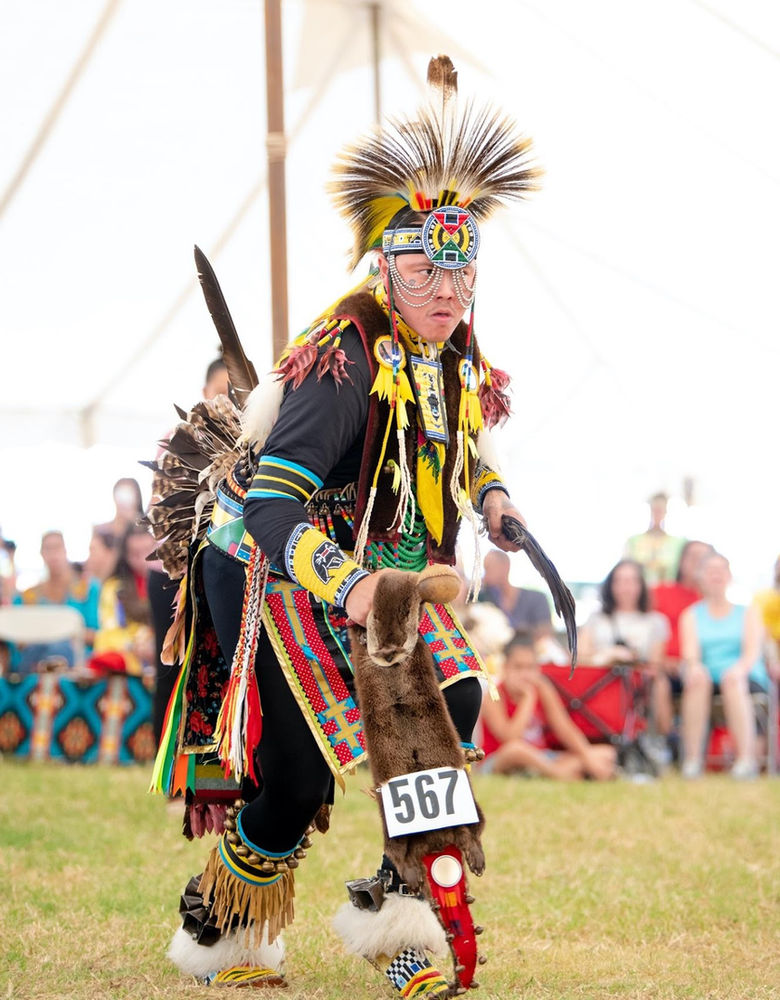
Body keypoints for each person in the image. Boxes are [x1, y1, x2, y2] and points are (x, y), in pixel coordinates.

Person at [150, 55, 541, 994]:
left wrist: (491, 497)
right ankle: (225, 929)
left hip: (383, 562)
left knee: (452, 701)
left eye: (460, 269)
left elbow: (452, 444)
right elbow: (278, 500)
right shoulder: (346, 356)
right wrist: (351, 583)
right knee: (298, 776)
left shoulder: (450, 346)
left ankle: (398, 907)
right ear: (384, 266)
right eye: (422, 268)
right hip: (272, 561)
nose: (446, 289)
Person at [678, 552, 768, 780]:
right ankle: (692, 760)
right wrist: (694, 667)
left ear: (729, 576)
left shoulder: (748, 612)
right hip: (707, 678)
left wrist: (738, 671)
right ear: (701, 577)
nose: (716, 574)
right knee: (698, 679)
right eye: (710, 570)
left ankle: (745, 760)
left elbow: (752, 653)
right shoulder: (691, 615)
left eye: (721, 569)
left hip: (745, 677)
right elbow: (691, 653)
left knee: (733, 682)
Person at [479, 632, 616, 779]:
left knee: (606, 754)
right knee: (515, 750)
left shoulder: (542, 687)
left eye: (530, 668)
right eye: (518, 667)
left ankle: (550, 772)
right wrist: (527, 699)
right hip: (501, 759)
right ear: (506, 668)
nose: (525, 674)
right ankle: (557, 773)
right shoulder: (493, 695)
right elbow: (510, 739)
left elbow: (564, 727)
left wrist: (588, 757)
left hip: (541, 757)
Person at [651, 540, 714, 743]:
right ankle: (670, 742)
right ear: (681, 560)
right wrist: (663, 661)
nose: (697, 562)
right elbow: (649, 632)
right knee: (658, 683)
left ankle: (694, 746)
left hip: (702, 670)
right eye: (692, 556)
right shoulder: (660, 592)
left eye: (703, 558)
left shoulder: (714, 604)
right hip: (664, 667)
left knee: (697, 679)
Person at [12, 531, 100, 673]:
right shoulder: (28, 597)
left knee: (58, 649)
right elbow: (18, 641)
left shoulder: (89, 589)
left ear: (65, 550)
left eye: (57, 548)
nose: (54, 555)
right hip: (35, 665)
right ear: (41, 553)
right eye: (48, 549)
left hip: (76, 665)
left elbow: (97, 633)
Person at [89, 526, 156, 676]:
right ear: (125, 555)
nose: (143, 559)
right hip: (128, 659)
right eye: (135, 553)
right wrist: (136, 645)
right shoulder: (113, 588)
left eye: (148, 551)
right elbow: (109, 630)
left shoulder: (173, 584)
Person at [479, 549, 552, 637]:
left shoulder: (537, 598)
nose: (485, 576)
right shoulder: (484, 599)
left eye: (489, 568)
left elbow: (545, 633)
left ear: (506, 567)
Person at [625, 492, 685, 586]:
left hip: (668, 593)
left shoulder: (678, 543)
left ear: (666, 512)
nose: (657, 514)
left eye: (661, 510)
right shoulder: (634, 541)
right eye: (654, 510)